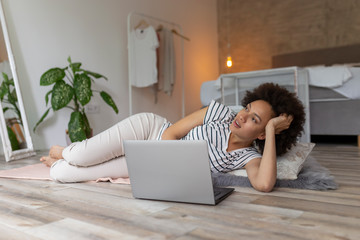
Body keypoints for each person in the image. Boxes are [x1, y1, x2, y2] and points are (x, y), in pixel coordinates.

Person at [40, 83, 305, 192]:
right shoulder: (220, 113)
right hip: (150, 131)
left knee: (61, 175)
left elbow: (264, 185)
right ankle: (64, 151)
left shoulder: (248, 156)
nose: (243, 116)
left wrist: (271, 131)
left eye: (255, 120)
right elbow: (172, 132)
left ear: (261, 133)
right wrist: (160, 157)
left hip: (152, 164)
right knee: (78, 156)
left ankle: (60, 160)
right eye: (247, 109)